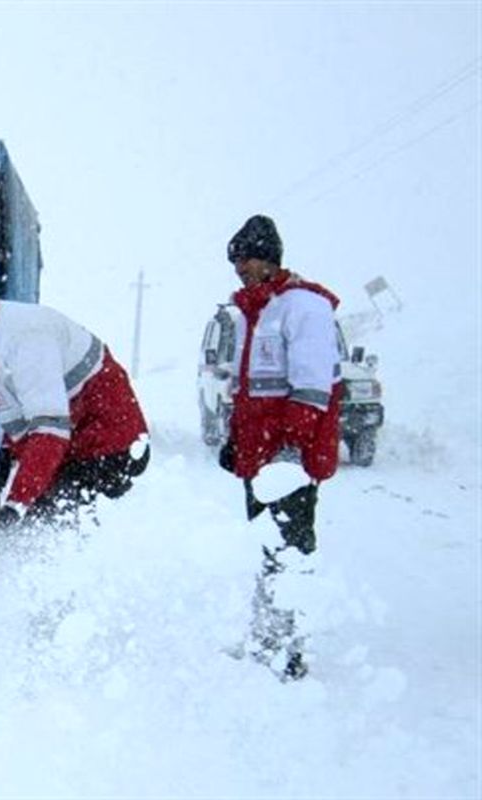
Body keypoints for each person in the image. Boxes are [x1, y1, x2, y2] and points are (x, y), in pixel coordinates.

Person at [0, 258, 150, 540]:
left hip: (111, 444)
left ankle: (82, 580)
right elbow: (24, 413)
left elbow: (49, 432)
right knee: (39, 524)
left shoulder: (22, 340)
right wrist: (7, 454)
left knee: (47, 530)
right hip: (73, 440)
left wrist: (14, 506)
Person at [220, 213, 342, 680]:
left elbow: (313, 389)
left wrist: (291, 451)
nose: (241, 270)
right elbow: (250, 388)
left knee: (290, 551)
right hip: (259, 457)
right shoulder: (258, 312)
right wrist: (237, 439)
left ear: (270, 259)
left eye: (247, 261)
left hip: (287, 459)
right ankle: (264, 639)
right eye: (237, 264)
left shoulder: (304, 308)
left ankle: (288, 655)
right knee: (266, 548)